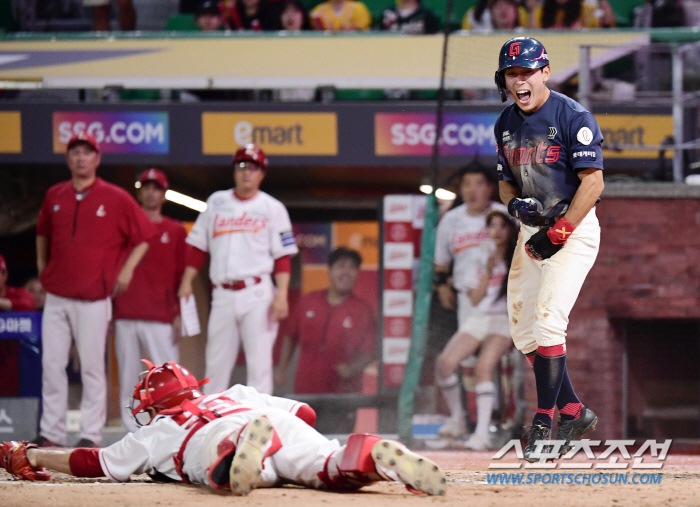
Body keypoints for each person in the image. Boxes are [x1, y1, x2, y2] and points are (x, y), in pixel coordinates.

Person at [0, 361, 447, 497]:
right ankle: (371, 456)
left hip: (211, 437)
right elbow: (306, 414)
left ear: (152, 403)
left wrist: (34, 455)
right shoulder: (234, 390)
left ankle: (241, 457)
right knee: (325, 465)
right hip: (270, 419)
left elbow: (90, 461)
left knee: (231, 468)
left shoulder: (158, 429)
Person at [494, 37, 604, 461]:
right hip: (531, 231)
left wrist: (560, 232)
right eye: (512, 73)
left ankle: (544, 421)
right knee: (523, 332)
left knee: (547, 322)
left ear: (545, 72)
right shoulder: (505, 122)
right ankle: (573, 410)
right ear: (503, 79)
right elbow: (505, 179)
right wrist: (511, 203)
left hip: (572, 229)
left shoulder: (573, 114)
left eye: (526, 72)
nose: (520, 80)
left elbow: (593, 183)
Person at [35, 132, 157, 448]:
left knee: (91, 367)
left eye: (86, 153)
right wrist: (42, 267)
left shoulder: (115, 197)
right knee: (51, 365)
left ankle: (90, 433)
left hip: (93, 297)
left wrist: (127, 269)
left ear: (97, 159)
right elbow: (42, 232)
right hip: (58, 295)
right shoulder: (55, 195)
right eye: (74, 152)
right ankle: (52, 432)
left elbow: (144, 234)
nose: (80, 158)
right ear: (68, 159)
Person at [178, 144, 298, 396]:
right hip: (222, 293)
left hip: (257, 292)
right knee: (215, 363)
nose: (247, 173)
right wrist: (187, 279)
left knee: (259, 364)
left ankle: (260, 424)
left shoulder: (272, 207)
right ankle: (210, 424)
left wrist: (282, 294)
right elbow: (199, 246)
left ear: (262, 174)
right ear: (234, 170)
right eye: (242, 166)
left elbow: (283, 257)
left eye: (253, 168)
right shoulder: (216, 201)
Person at [433, 165, 507, 439]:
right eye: (466, 184)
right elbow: (440, 261)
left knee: (489, 364)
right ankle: (461, 419)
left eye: (479, 184)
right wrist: (442, 285)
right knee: (463, 362)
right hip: (469, 299)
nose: (472, 190)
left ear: (490, 187)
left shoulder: (504, 215)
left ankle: (493, 422)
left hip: (503, 304)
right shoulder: (451, 220)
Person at [113, 169, 188, 432]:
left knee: (170, 379)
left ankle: (173, 430)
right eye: (146, 187)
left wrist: (180, 313)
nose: (151, 192)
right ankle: (132, 433)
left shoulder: (176, 230)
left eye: (156, 188)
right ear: (139, 192)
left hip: (161, 315)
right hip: (125, 312)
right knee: (128, 380)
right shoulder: (123, 231)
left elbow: (183, 276)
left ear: (165, 194)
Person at [438, 210, 517, 451]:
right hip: (480, 316)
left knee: (483, 367)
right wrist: (488, 271)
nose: (496, 232)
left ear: (510, 230)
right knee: (445, 363)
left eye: (502, 227)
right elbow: (474, 298)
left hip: (505, 319)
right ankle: (459, 419)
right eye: (491, 227)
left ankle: (482, 434)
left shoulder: (521, 257)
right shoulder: (481, 256)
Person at [275, 247, 376, 394]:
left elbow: (370, 351)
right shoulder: (309, 301)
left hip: (343, 394)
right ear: (330, 271)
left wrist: (351, 369)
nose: (346, 272)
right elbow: (290, 337)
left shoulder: (363, 310)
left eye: (352, 268)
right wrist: (282, 370)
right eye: (341, 266)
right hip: (305, 389)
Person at [462, 0, 526, 31]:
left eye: (507, 5)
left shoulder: (524, 34)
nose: (503, 9)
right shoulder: (484, 35)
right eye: (498, 6)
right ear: (491, 13)